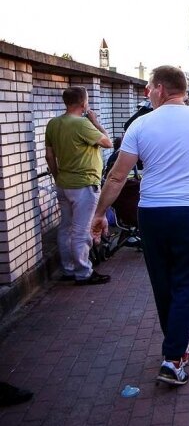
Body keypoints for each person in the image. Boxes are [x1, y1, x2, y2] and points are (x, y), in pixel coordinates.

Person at [91, 65, 189, 386]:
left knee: (164, 282)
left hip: (152, 213)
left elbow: (116, 176)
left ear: (160, 89)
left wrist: (99, 213)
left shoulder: (141, 125)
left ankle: (175, 350)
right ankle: (173, 358)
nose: (147, 94)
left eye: (149, 88)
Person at [45, 86, 113, 285]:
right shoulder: (82, 124)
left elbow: (49, 155)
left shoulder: (53, 124)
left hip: (64, 183)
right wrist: (95, 122)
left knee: (65, 228)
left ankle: (68, 269)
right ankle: (83, 272)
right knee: (81, 231)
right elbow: (108, 142)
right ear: (83, 103)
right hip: (84, 184)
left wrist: (58, 177)